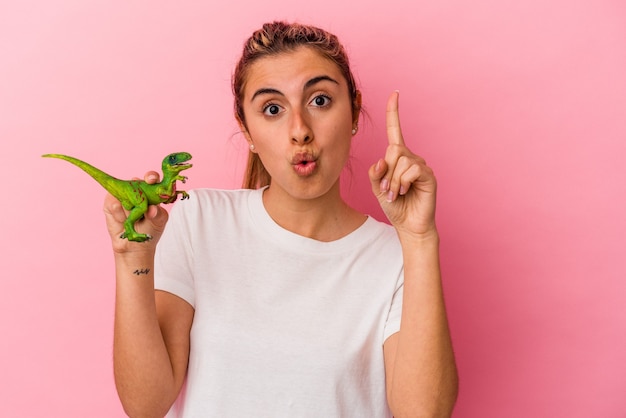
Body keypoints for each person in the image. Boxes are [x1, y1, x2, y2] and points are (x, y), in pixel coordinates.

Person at [104, 21, 458, 418]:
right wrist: (133, 259)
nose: (299, 131)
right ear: (248, 131)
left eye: (320, 101)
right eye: (273, 109)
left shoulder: (398, 256)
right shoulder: (199, 220)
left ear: (354, 111)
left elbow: (424, 413)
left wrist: (420, 240)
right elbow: (145, 405)